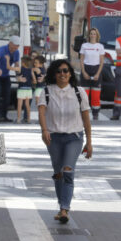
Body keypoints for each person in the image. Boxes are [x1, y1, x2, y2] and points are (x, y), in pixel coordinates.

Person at [38, 59, 92, 225]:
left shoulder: (79, 92)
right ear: (54, 74)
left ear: (70, 73)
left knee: (67, 170)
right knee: (58, 172)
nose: (63, 74)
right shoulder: (47, 91)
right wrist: (44, 130)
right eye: (59, 71)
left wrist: (89, 142)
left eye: (66, 71)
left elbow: (86, 117)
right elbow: (41, 113)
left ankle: (64, 209)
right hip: (53, 138)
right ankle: (61, 204)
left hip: (74, 137)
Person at [0, 35, 21, 123]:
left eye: (17, 46)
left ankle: (4, 116)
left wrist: (18, 76)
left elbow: (16, 65)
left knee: (7, 95)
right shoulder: (2, 49)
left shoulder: (16, 52)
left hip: (5, 75)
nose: (15, 48)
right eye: (14, 46)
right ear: (10, 43)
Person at [79, 27, 105, 120]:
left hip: (96, 69)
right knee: (84, 95)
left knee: (95, 95)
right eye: (91, 33)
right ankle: (84, 113)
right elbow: (81, 60)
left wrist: (98, 74)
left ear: (97, 35)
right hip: (86, 69)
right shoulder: (84, 46)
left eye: (94, 33)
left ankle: (95, 113)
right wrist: (83, 72)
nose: (92, 35)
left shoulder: (100, 46)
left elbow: (102, 62)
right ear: (88, 35)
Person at [14, 55, 36, 124]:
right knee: (27, 105)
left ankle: (18, 119)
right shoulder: (31, 70)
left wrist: (19, 79)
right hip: (29, 89)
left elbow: (9, 68)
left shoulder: (20, 69)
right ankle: (29, 119)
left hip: (21, 89)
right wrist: (29, 81)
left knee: (19, 105)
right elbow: (35, 81)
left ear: (23, 63)